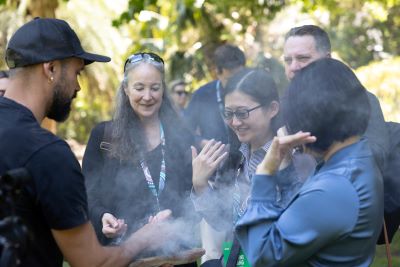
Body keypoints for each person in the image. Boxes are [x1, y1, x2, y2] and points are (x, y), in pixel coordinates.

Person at [0, 18, 203, 267]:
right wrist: (145, 238)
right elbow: (93, 263)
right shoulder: (48, 154)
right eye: (76, 73)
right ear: (50, 69)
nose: (78, 86)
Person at [236, 58, 383, 266]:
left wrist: (264, 173)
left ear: (310, 119)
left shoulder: (335, 187)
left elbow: (261, 256)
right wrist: (285, 167)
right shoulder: (355, 158)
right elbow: (302, 213)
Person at [82, 52, 198, 266]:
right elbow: (88, 194)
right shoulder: (104, 137)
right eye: (139, 88)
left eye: (155, 88)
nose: (147, 96)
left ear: (163, 90)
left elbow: (195, 196)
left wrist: (174, 217)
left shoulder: (182, 136)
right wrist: (102, 217)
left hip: (176, 255)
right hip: (122, 256)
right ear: (126, 89)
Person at [191, 68, 303, 266]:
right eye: (228, 113)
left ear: (272, 109)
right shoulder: (236, 157)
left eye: (242, 113)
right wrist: (200, 185)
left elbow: (296, 228)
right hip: (236, 258)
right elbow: (224, 220)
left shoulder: (290, 158)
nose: (235, 122)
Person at [283, 24, 389, 172]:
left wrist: (320, 149)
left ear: (327, 59)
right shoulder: (283, 105)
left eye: (303, 58)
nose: (293, 67)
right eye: (288, 60)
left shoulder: (359, 100)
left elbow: (377, 158)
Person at [185, 44, 245, 147]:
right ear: (217, 71)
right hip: (215, 159)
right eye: (231, 79)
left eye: (240, 77)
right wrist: (203, 143)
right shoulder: (202, 95)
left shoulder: (252, 92)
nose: (236, 84)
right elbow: (184, 133)